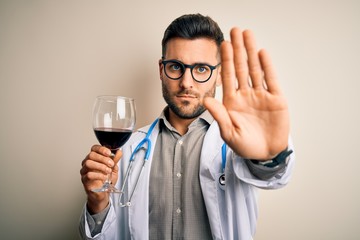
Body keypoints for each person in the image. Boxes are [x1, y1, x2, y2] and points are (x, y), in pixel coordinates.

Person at [79, 13, 295, 240]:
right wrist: (97, 203)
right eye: (175, 67)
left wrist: (269, 157)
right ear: (161, 70)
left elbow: (274, 176)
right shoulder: (129, 150)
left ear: (218, 75)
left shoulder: (237, 147)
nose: (186, 82)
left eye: (201, 69)